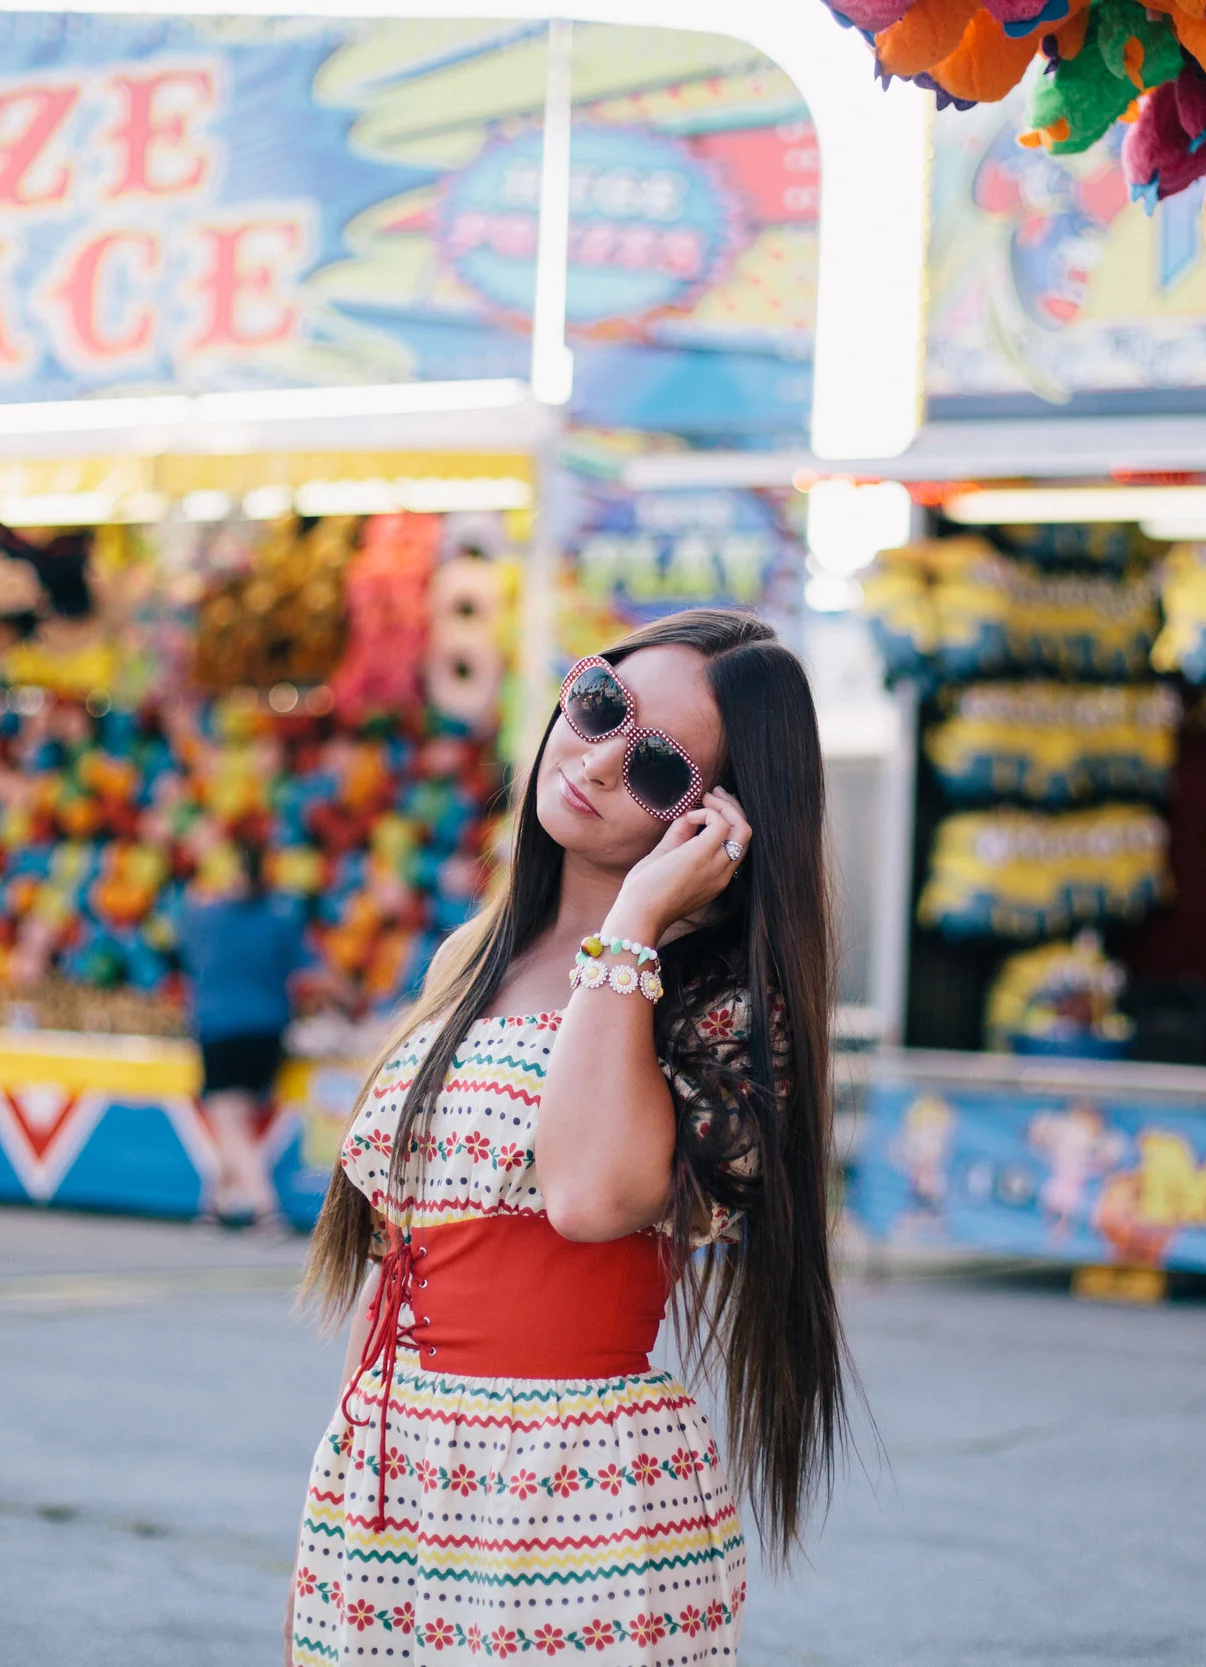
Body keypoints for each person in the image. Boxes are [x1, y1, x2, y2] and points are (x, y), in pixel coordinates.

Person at [288, 609, 846, 1664]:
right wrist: (337, 1520)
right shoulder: (471, 953)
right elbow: (397, 1248)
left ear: (716, 821)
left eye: (657, 767)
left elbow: (589, 1198)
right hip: (390, 1467)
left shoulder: (717, 1002)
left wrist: (632, 925)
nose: (592, 760)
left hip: (571, 1491)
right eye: (598, 706)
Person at [177, 837, 310, 1228]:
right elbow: (302, 969)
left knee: (230, 1120)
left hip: (221, 1027)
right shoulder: (281, 918)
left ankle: (265, 1206)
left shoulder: (202, 917)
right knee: (236, 1118)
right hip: (268, 1029)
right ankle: (214, 1204)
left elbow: (185, 957)